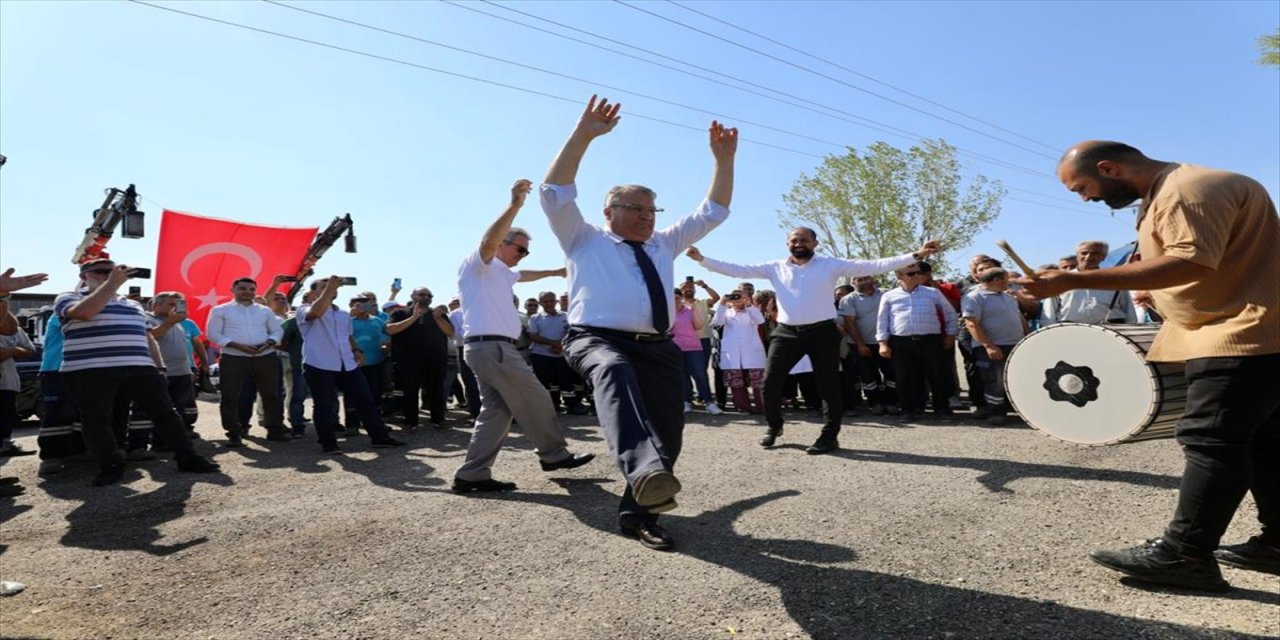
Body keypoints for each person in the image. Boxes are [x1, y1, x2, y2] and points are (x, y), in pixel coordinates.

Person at [1020, 140, 1280, 591]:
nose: (1086, 199)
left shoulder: (1186, 189)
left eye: (1083, 187)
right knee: (1264, 443)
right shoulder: (1180, 187)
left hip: (1239, 332)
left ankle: (1185, 554)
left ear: (1109, 168)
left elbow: (1190, 260)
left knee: (1211, 440)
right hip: (1252, 328)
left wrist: (1072, 279)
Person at [541, 94, 737, 551]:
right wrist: (583, 134)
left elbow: (715, 211)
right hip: (595, 338)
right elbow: (554, 192)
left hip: (658, 345)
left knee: (669, 427)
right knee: (612, 370)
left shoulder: (664, 244)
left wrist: (723, 161)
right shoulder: (583, 239)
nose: (647, 218)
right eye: (635, 210)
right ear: (609, 212)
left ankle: (639, 510)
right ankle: (644, 468)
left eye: (651, 211)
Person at [687, 230, 940, 454]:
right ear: (788, 243)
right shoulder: (775, 267)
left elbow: (873, 265)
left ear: (814, 243)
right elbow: (737, 269)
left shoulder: (830, 264)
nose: (799, 244)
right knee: (769, 384)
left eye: (804, 240)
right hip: (786, 333)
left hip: (822, 333)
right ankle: (775, 427)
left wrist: (915, 255)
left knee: (828, 386)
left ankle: (829, 436)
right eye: (794, 240)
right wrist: (702, 259)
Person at [451, 179, 594, 493]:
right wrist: (514, 206)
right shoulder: (479, 263)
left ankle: (472, 474)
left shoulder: (501, 271)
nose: (523, 256)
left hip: (489, 348)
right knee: (536, 397)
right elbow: (488, 244)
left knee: (497, 413)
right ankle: (554, 455)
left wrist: (556, 272)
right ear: (503, 242)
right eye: (520, 249)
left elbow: (523, 275)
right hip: (492, 348)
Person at [55, 259, 220, 485]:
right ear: (83, 277)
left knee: (166, 413)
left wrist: (159, 367)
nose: (107, 275)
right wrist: (111, 284)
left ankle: (187, 457)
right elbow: (84, 313)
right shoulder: (70, 297)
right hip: (90, 369)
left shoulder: (132, 305)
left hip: (139, 367)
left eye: (112, 272)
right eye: (101, 272)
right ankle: (111, 465)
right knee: (97, 419)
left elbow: (148, 336)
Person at [296, 278, 406, 454]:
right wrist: (330, 286)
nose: (331, 288)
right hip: (319, 364)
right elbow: (315, 314)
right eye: (323, 287)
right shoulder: (304, 310)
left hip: (347, 364)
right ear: (315, 292)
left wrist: (356, 350)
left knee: (365, 400)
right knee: (324, 405)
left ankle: (380, 437)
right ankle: (328, 444)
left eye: (333, 286)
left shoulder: (342, 314)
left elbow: (346, 335)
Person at [206, 277, 286, 446]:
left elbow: (277, 331)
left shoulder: (264, 311)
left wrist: (269, 343)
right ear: (233, 290)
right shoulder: (221, 310)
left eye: (251, 289)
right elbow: (213, 334)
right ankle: (234, 433)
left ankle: (275, 430)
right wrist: (237, 346)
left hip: (265, 355)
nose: (247, 292)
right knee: (230, 396)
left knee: (271, 394)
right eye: (242, 288)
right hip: (234, 356)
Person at [876, 263, 959, 421]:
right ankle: (909, 410)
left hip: (930, 340)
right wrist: (883, 343)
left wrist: (950, 335)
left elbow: (950, 313)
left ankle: (942, 410)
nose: (916, 276)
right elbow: (882, 321)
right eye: (911, 274)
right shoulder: (889, 296)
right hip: (901, 342)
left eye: (917, 273)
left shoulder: (933, 293)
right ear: (899, 276)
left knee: (937, 376)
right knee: (905, 377)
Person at [959, 268, 1027, 425]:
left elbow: (1020, 318)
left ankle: (1018, 410)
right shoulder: (974, 297)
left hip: (1015, 344)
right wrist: (989, 345)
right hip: (993, 347)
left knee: (1016, 380)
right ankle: (996, 413)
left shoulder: (1009, 297)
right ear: (997, 279)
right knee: (994, 381)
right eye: (1006, 278)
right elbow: (971, 323)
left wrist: (1028, 337)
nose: (1009, 282)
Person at [385, 287, 453, 429]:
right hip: (408, 361)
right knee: (409, 391)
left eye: (429, 295)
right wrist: (413, 318)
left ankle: (438, 419)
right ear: (413, 296)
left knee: (436, 390)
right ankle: (410, 422)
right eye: (422, 294)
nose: (426, 297)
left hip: (435, 360)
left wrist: (438, 317)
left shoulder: (437, 314)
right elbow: (390, 329)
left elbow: (450, 332)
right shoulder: (400, 313)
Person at [839, 275, 898, 416]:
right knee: (868, 375)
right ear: (853, 282)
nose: (864, 281)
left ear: (872, 279)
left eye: (866, 278)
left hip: (886, 341)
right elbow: (850, 323)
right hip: (860, 343)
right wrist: (860, 345)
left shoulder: (887, 294)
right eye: (859, 279)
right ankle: (875, 403)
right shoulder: (848, 299)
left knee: (892, 373)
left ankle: (891, 402)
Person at [1041, 240, 1139, 326]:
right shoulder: (1060, 280)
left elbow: (1128, 309)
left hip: (1112, 328)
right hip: (1071, 329)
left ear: (1103, 257)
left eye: (1095, 253)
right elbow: (1049, 311)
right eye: (1084, 253)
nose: (1088, 257)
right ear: (1077, 256)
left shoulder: (1114, 279)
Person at [710, 289, 766, 413]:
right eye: (734, 297)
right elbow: (717, 322)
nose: (737, 299)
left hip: (752, 351)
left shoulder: (751, 311)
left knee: (758, 382)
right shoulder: (726, 312)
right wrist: (722, 304)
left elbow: (760, 320)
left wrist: (749, 304)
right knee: (736, 382)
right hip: (733, 351)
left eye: (739, 296)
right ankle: (743, 407)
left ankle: (762, 407)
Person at [672, 288, 723, 415]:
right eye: (672, 298)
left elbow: (698, 326)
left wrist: (694, 310)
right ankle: (686, 402)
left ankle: (709, 403)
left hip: (693, 347)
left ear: (681, 298)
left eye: (677, 298)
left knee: (700, 375)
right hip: (675, 348)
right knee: (682, 376)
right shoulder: (666, 312)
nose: (675, 301)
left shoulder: (690, 310)